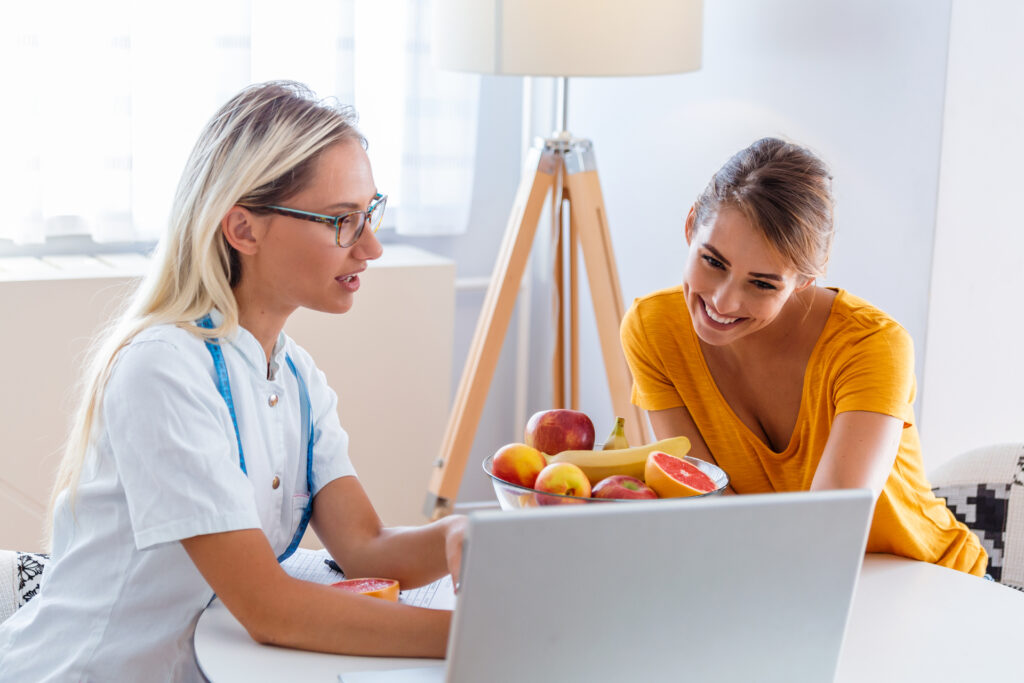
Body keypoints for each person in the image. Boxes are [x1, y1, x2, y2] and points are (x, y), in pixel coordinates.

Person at [0, 81, 465, 681]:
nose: (371, 246)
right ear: (243, 230)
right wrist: (480, 638)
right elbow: (270, 610)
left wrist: (463, 532)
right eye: (343, 221)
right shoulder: (162, 369)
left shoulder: (297, 377)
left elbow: (365, 547)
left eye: (370, 213)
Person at [620, 137, 987, 575]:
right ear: (691, 225)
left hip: (922, 579)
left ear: (805, 279)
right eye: (713, 262)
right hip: (784, 579)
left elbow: (828, 531)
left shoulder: (872, 346)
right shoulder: (653, 329)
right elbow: (709, 506)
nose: (723, 301)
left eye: (762, 284)